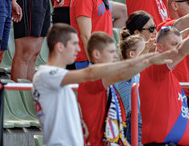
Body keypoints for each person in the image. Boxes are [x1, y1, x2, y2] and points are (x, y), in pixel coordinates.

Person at [32, 23, 171, 145]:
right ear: (60, 46)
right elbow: (90, 73)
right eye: (74, 44)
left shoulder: (59, 80)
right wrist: (133, 61)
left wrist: (147, 60)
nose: (78, 49)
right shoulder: (45, 75)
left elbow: (119, 75)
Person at [78, 31, 173, 146]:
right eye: (111, 52)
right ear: (96, 54)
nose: (115, 56)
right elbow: (123, 73)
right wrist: (150, 59)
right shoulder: (92, 80)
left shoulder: (107, 84)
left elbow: (116, 133)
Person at [139, 26, 189, 144]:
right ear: (160, 48)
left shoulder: (171, 79)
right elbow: (181, 51)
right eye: (174, 44)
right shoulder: (154, 68)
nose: (177, 48)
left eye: (179, 44)